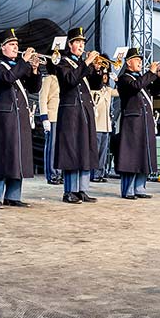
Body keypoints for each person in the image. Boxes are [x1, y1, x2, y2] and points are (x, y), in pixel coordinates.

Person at [0, 29, 41, 208]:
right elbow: (8, 78)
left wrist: (35, 70)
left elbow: (34, 88)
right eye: (12, 45)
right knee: (2, 156)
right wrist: (23, 62)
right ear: (3, 48)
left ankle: (13, 196)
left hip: (20, 115)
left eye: (17, 45)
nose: (16, 48)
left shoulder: (19, 65)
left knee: (18, 155)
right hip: (4, 117)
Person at [53, 26, 100, 204]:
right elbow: (71, 80)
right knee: (71, 150)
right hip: (71, 111)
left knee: (85, 149)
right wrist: (86, 63)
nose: (81, 45)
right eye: (78, 42)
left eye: (83, 42)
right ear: (70, 44)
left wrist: (98, 69)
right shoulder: (62, 63)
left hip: (84, 111)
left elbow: (95, 85)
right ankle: (70, 191)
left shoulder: (81, 64)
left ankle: (82, 189)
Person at [114, 48, 160, 199]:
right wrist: (151, 73)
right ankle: (128, 190)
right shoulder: (124, 78)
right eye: (137, 60)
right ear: (129, 62)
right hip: (132, 123)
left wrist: (159, 77)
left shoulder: (141, 78)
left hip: (144, 121)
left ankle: (140, 187)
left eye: (140, 60)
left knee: (143, 155)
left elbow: (155, 91)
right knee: (131, 157)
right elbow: (136, 86)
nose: (140, 62)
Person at [90, 65, 119, 183]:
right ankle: (94, 174)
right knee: (95, 152)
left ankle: (101, 173)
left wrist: (117, 80)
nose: (105, 78)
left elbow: (119, 92)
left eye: (107, 76)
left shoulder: (108, 90)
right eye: (104, 75)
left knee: (103, 152)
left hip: (106, 125)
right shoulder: (94, 90)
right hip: (96, 125)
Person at [38, 68, 62, 184]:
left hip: (62, 117)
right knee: (51, 147)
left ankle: (59, 172)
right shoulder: (49, 78)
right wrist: (44, 117)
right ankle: (52, 174)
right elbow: (43, 98)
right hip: (52, 116)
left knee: (60, 147)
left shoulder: (63, 78)